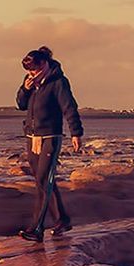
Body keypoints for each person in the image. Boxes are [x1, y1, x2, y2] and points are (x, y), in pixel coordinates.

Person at [14, 46, 83, 242]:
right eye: (27, 71)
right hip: (32, 137)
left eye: (33, 69)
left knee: (45, 179)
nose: (30, 73)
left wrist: (76, 133)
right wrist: (25, 89)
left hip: (51, 137)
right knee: (42, 182)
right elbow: (21, 105)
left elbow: (69, 107)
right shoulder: (31, 83)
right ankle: (62, 220)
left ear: (44, 64)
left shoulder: (59, 82)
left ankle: (36, 229)